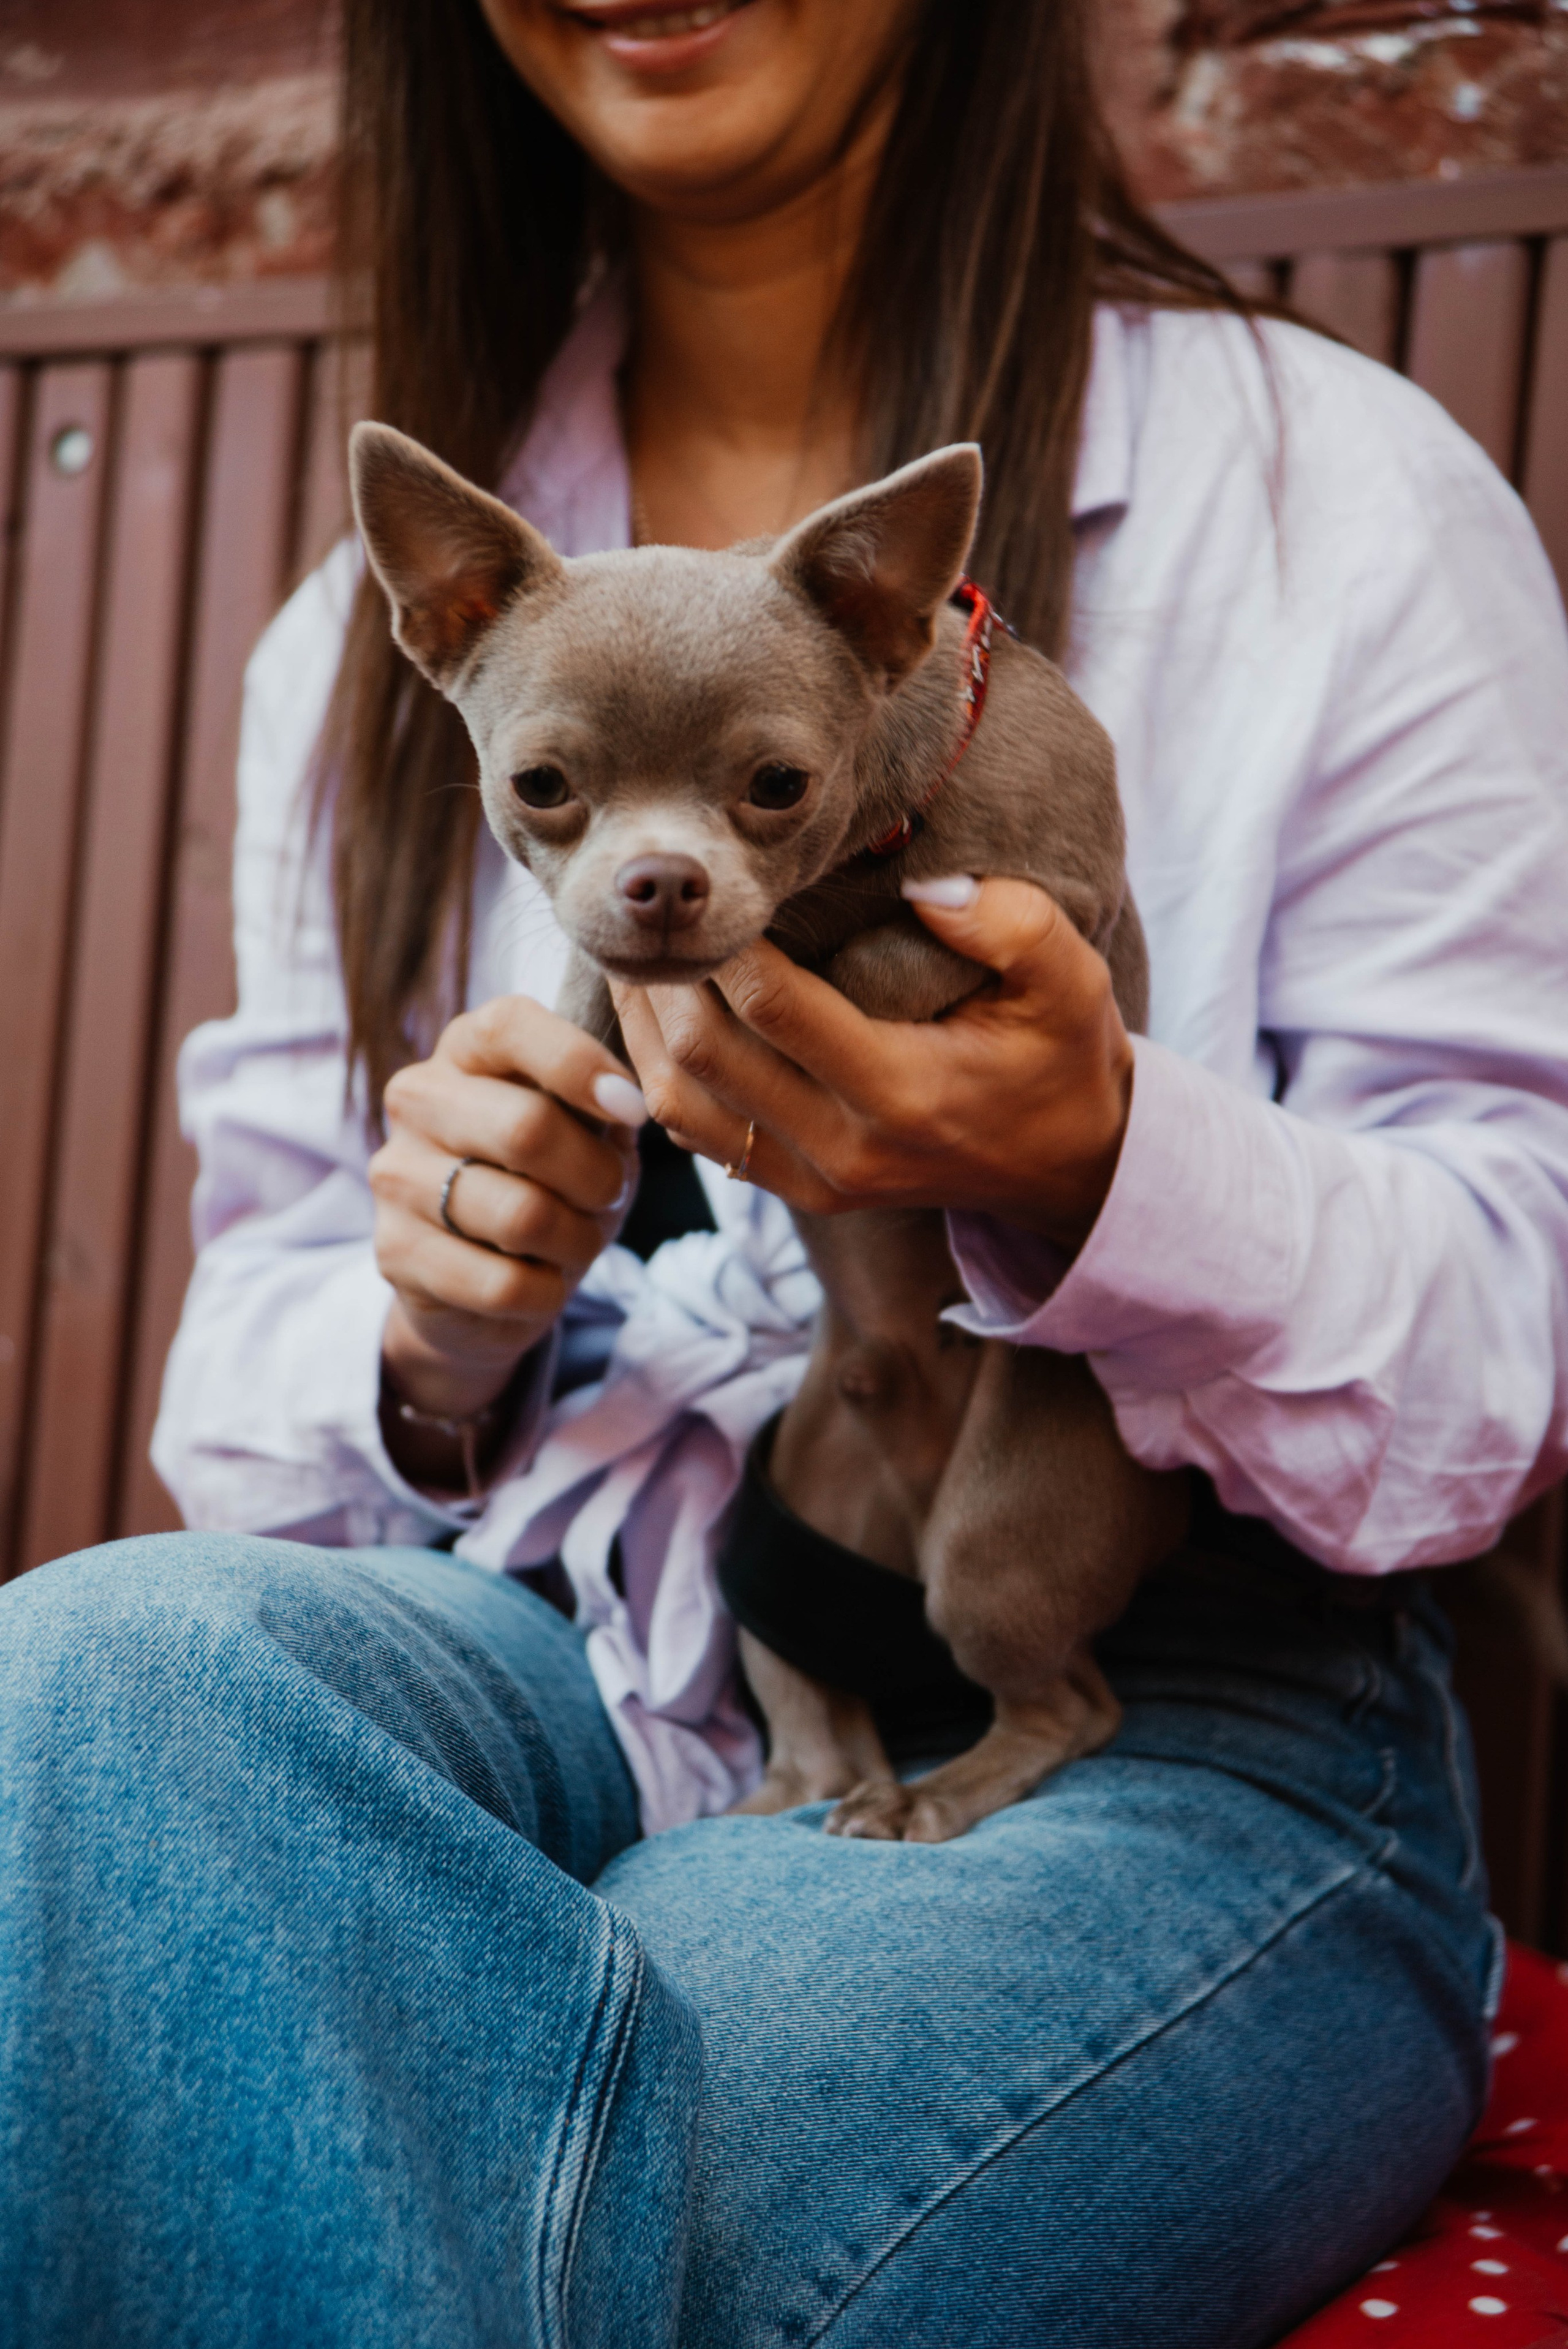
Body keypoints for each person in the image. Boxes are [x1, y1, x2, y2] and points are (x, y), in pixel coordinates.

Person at [4, 0, 1567, 2340]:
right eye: (563, 803)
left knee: (583, 2100)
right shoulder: (388, 635)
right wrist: (433, 1323)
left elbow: (1522, 1323)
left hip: (1189, 1699)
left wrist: (1107, 1167)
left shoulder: (1319, 491)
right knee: (89, 1673)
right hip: (585, 1626)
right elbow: (249, 1385)